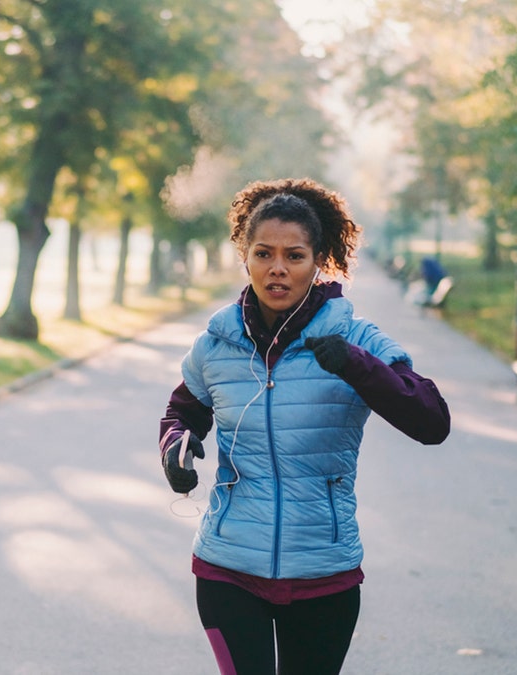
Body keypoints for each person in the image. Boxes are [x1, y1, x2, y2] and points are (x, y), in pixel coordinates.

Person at [158, 178, 451, 675]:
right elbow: (182, 413)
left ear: (318, 261)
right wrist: (175, 449)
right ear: (244, 257)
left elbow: (431, 420)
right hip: (228, 565)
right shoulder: (217, 343)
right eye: (263, 253)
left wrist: (354, 365)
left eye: (294, 255)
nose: (277, 268)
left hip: (324, 572)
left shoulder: (354, 337)